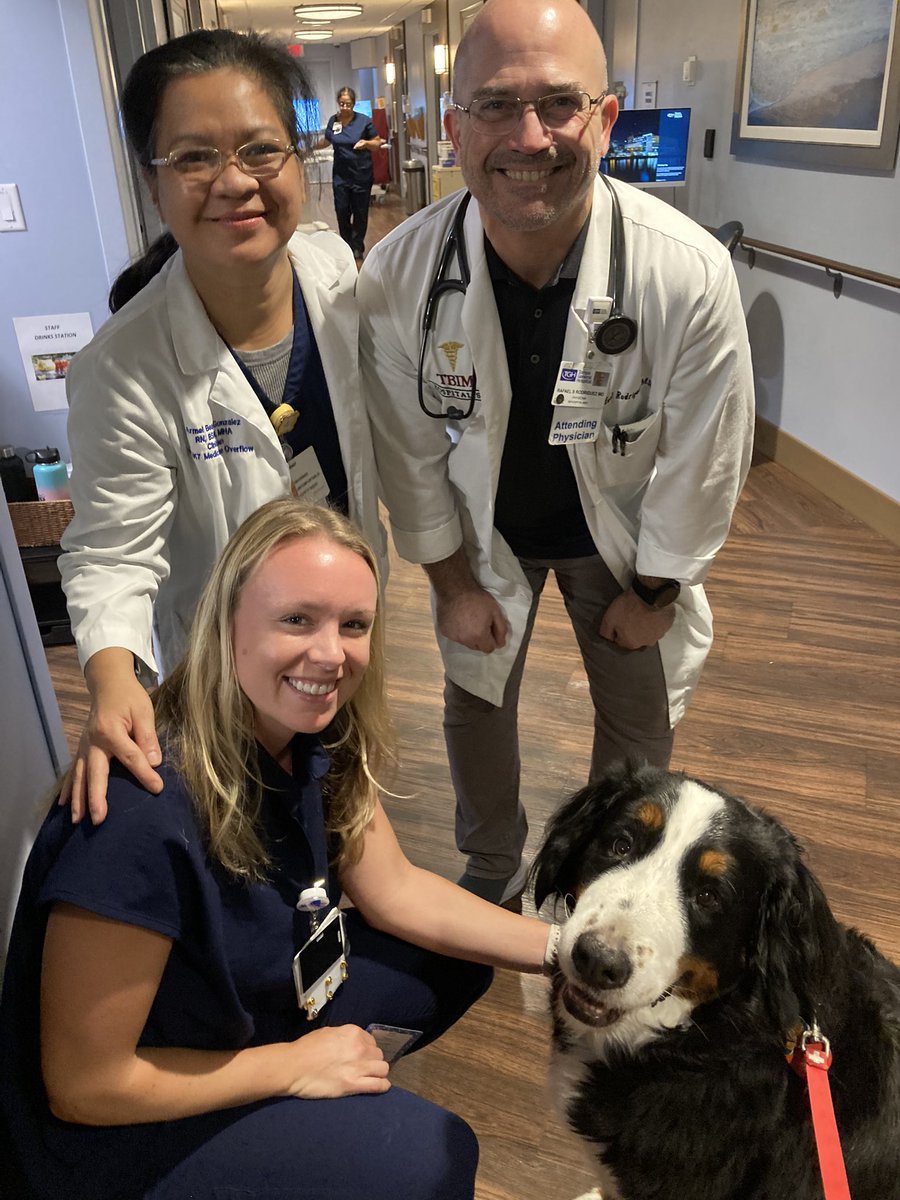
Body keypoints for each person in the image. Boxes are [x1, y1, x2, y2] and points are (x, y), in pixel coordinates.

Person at [0, 499, 556, 1200]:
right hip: (113, 1128)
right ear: (226, 623)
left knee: (463, 959)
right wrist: (294, 1068)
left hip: (231, 1009)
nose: (331, 654)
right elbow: (85, 1087)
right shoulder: (138, 811)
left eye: (354, 625)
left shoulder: (310, 734)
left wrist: (565, 950)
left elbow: (397, 891)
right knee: (428, 1161)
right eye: (297, 618)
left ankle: (301, 1128)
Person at [358, 0, 754, 904]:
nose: (528, 138)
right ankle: (492, 866)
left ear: (606, 119)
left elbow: (706, 453)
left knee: (637, 723)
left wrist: (656, 590)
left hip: (618, 542)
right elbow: (408, 450)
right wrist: (453, 583)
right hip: (485, 530)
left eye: (559, 104)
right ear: (456, 126)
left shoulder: (683, 272)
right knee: (477, 704)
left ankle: (605, 878)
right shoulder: (401, 274)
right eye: (495, 105)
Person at [58, 31, 383, 823]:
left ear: (299, 160)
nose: (235, 182)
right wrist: (111, 679)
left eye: (260, 150)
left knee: (345, 801)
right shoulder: (123, 365)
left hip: (341, 630)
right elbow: (110, 550)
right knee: (250, 838)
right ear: (151, 182)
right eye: (195, 157)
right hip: (229, 667)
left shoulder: (334, 271)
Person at [320, 87, 384, 263]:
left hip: (361, 174)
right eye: (342, 104)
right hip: (341, 175)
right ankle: (346, 244)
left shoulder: (364, 121)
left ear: (353, 104)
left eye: (348, 104)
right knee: (341, 210)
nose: (345, 107)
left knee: (360, 212)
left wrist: (366, 143)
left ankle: (357, 246)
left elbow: (377, 142)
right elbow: (327, 140)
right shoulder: (334, 121)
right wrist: (308, 148)